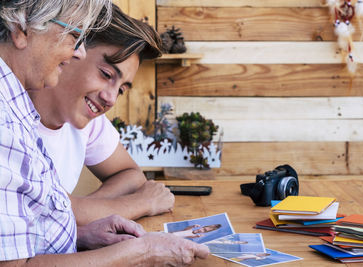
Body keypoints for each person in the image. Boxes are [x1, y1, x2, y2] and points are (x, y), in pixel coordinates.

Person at [0, 1, 209, 266]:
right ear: (20, 29)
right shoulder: (8, 124)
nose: (76, 52)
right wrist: (142, 249)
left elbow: (37, 224)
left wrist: (74, 228)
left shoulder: (20, 110)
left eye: (122, 89)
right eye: (74, 37)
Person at [31, 4, 174, 226]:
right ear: (72, 49)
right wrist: (142, 203)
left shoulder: (86, 120)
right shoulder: (13, 119)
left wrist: (85, 210)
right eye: (106, 74)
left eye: (121, 89)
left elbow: (130, 174)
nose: (111, 99)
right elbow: (43, 214)